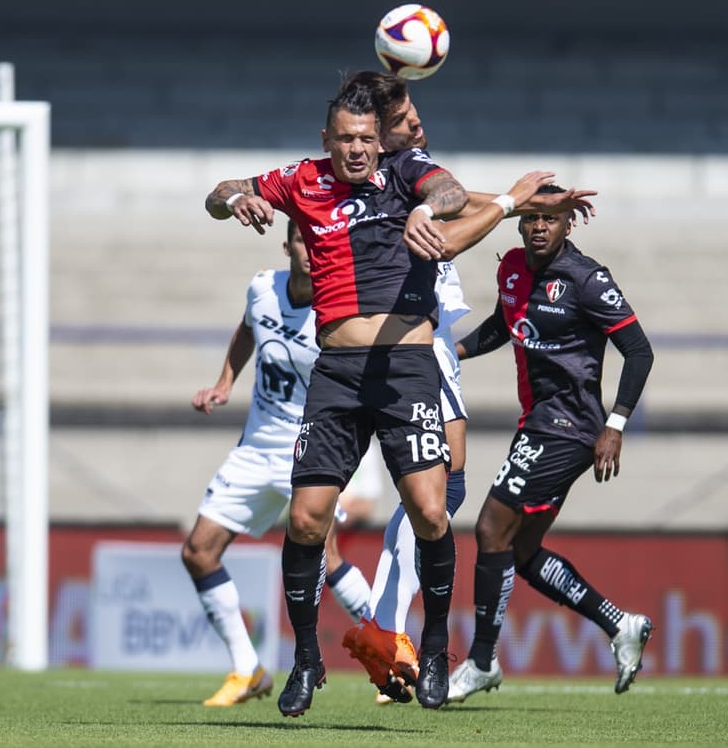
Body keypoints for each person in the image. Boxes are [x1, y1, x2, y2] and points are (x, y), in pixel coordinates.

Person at [206, 81, 557, 716]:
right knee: (306, 519)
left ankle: (427, 647)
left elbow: (449, 192)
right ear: (326, 140)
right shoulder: (302, 180)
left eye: (368, 138)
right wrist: (235, 199)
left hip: (406, 367)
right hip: (337, 371)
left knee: (430, 512)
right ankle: (306, 662)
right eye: (346, 139)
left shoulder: (405, 171)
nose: (359, 150)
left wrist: (429, 210)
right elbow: (220, 190)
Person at [445, 195, 656, 703]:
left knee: (492, 526)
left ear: (567, 224)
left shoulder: (585, 278)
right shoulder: (514, 269)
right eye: (531, 218)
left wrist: (616, 425)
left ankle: (481, 661)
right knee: (520, 550)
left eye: (550, 219)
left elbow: (639, 351)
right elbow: (504, 324)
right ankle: (620, 623)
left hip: (570, 426)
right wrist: (456, 351)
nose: (539, 227)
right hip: (538, 422)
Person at [182, 220, 375, 706]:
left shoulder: (341, 309)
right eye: (301, 240)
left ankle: (388, 647)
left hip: (308, 448)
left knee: (326, 554)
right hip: (254, 450)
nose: (310, 250)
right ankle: (248, 668)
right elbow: (247, 329)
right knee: (198, 551)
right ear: (287, 243)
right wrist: (225, 382)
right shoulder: (262, 288)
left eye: (319, 242)